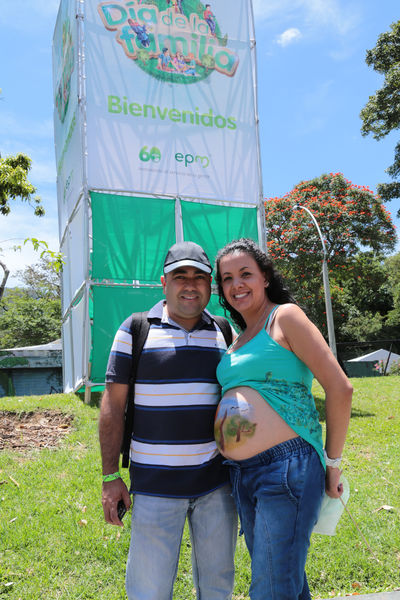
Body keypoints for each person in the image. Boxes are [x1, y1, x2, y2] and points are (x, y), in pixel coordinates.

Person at [213, 238, 353, 600]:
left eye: (246, 274)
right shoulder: (237, 339)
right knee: (284, 583)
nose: (236, 285)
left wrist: (333, 465)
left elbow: (340, 389)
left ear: (265, 278)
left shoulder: (285, 317)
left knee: (271, 588)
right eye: (227, 278)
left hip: (286, 467)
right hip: (242, 476)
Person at [99, 241, 237, 600]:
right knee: (149, 591)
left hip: (217, 487)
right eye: (180, 276)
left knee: (218, 587)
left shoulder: (225, 333)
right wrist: (111, 477)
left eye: (199, 277)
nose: (190, 284)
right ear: (164, 283)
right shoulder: (135, 330)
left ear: (211, 285)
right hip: (154, 488)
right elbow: (112, 408)